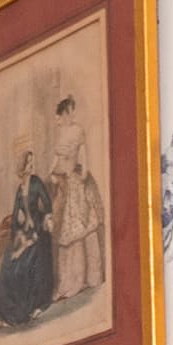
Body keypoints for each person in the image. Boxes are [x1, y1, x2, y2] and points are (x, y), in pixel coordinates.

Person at [47, 92, 108, 312]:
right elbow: (56, 157)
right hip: (63, 179)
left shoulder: (77, 130)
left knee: (81, 223)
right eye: (69, 111)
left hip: (75, 179)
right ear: (63, 114)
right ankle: (68, 282)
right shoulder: (61, 132)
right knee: (65, 229)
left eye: (72, 111)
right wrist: (50, 172)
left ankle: (89, 276)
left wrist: (86, 171)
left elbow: (84, 152)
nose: (72, 115)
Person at [0, 143, 57, 335]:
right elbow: (16, 213)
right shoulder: (20, 189)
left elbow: (47, 203)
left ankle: (30, 307)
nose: (32, 166)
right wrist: (17, 233)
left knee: (26, 262)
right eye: (29, 164)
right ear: (22, 168)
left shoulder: (36, 182)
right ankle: (2, 313)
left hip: (38, 233)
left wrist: (48, 218)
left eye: (32, 163)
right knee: (9, 264)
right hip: (24, 232)